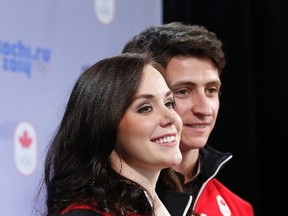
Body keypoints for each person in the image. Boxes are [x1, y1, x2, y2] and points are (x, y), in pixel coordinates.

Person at [122, 22, 254, 216]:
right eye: (183, 91)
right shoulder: (103, 205)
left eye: (211, 90)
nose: (204, 109)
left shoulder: (238, 209)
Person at [40, 53, 192, 216]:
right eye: (145, 108)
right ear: (103, 125)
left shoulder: (173, 208)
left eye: (169, 103)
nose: (171, 117)